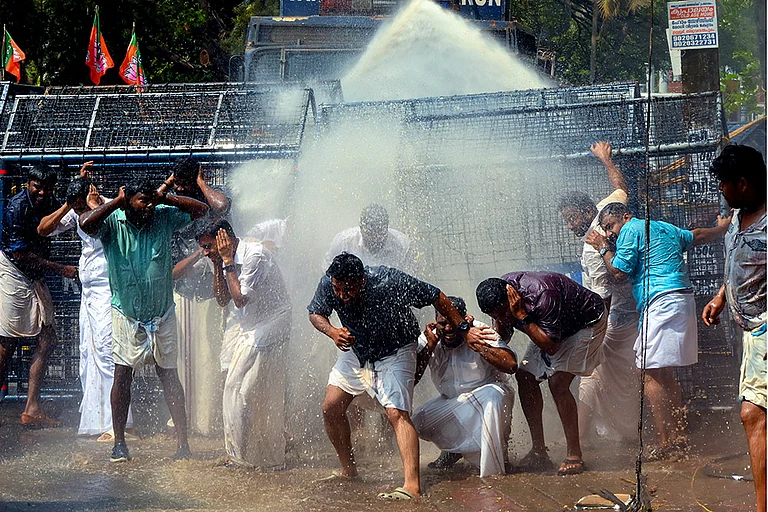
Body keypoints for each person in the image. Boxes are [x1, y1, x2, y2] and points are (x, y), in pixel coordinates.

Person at [308, 253, 490, 500]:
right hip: (358, 348)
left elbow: (436, 295)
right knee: (331, 406)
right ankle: (348, 470)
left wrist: (464, 329)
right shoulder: (329, 283)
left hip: (397, 348)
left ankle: (411, 486)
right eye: (337, 289)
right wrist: (332, 331)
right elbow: (315, 313)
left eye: (347, 289)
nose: (341, 295)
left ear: (361, 280)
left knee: (396, 413)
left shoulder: (389, 281)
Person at [79, 178, 209, 463]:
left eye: (151, 200)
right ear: (128, 201)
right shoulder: (112, 221)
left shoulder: (162, 216)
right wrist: (115, 201)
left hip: (162, 311)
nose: (149, 206)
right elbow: (86, 224)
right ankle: (120, 443)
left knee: (169, 374)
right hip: (126, 314)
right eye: (143, 200)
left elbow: (203, 211)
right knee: (122, 375)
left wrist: (166, 199)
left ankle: (183, 445)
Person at [586, 201, 729, 459]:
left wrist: (602, 247)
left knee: (649, 372)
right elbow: (696, 235)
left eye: (610, 226)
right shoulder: (662, 227)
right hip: (680, 297)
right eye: (605, 230)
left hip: (659, 300)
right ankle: (679, 437)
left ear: (626, 216)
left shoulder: (631, 230)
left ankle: (664, 443)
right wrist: (723, 228)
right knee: (665, 373)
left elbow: (618, 271)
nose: (609, 233)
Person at [476, 272, 607, 476]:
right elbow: (504, 335)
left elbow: (551, 347)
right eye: (495, 316)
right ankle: (539, 451)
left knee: (558, 383)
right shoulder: (500, 292)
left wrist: (520, 316)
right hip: (552, 328)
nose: (502, 319)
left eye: (504, 313)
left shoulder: (542, 296)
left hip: (586, 322)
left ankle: (575, 455)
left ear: (512, 299)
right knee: (525, 377)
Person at [37, 168, 135, 439]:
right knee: (88, 352)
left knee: (107, 350)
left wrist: (93, 205)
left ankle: (119, 425)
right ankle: (97, 419)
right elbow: (43, 229)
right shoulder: (76, 206)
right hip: (89, 290)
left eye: (80, 204)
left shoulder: (110, 208)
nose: (78, 211)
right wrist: (69, 204)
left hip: (110, 287)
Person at [558, 141, 640, 442]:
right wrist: (605, 159)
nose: (569, 226)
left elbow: (602, 296)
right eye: (566, 220)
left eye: (572, 219)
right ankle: (622, 432)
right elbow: (621, 187)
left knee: (591, 378)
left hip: (617, 320)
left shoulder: (593, 248)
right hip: (633, 312)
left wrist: (592, 333)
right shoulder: (611, 210)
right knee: (622, 379)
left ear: (588, 211)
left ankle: (576, 445)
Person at [701, 144, 766, 512]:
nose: (721, 191)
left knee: (752, 413)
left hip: (766, 330)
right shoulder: (737, 220)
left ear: (743, 183)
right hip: (748, 334)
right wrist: (722, 296)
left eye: (724, 184)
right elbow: (738, 264)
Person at [197, 219, 291, 469]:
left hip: (273, 322)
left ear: (224, 238)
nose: (205, 253)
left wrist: (226, 261)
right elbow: (221, 299)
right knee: (244, 387)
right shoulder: (222, 258)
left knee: (238, 386)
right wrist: (219, 263)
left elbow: (239, 299)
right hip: (249, 326)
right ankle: (244, 453)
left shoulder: (255, 255)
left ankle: (241, 455)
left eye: (208, 247)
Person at [0, 164, 78, 427]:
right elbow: (20, 253)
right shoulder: (16, 207)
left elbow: (56, 221)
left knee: (48, 339)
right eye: (37, 187)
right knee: (6, 343)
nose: (42, 192)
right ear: (28, 184)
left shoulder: (51, 201)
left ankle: (32, 408)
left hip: (34, 273)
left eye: (47, 188)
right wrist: (61, 269)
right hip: (13, 269)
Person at [160, 157, 231, 436]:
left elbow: (223, 206)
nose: (180, 188)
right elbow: (174, 273)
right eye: (177, 183)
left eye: (184, 183)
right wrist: (171, 183)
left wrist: (200, 182)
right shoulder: (171, 205)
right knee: (182, 361)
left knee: (212, 358)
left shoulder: (211, 202)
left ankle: (208, 421)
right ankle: (181, 422)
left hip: (212, 294)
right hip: (184, 296)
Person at [412, 296, 517, 477]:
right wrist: (429, 347)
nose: (448, 329)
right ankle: (456, 450)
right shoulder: (431, 337)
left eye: (453, 323)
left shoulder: (479, 330)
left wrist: (476, 344)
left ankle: (492, 471)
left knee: (494, 396)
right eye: (442, 323)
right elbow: (412, 378)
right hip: (453, 402)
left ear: (465, 319)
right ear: (435, 321)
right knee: (417, 423)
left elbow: (511, 364)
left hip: (487, 398)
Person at [325, 204, 415, 272]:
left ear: (387, 228)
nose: (375, 237)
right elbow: (327, 272)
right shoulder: (343, 242)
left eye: (379, 231)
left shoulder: (403, 245)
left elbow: (412, 278)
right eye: (370, 232)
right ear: (361, 228)